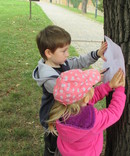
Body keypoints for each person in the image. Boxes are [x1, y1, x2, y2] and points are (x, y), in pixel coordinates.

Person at [32, 25, 108, 156]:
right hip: (53, 120)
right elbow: (74, 89)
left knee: (65, 145)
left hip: (65, 116)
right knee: (53, 147)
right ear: (49, 53)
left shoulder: (61, 62)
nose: (67, 54)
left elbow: (79, 62)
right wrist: (93, 79)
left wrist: (97, 54)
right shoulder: (50, 80)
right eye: (64, 51)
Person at [48, 68, 126, 156]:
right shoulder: (92, 121)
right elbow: (114, 112)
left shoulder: (61, 110)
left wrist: (109, 86)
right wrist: (120, 90)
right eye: (92, 86)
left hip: (64, 152)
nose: (93, 87)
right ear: (85, 98)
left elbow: (90, 98)